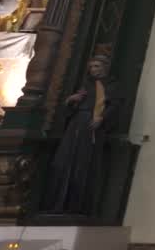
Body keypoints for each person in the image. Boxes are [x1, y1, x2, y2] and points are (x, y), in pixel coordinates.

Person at [45, 54, 121, 215]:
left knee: (84, 163)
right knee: (65, 160)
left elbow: (114, 106)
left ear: (105, 67)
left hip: (92, 126)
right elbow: (74, 106)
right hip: (77, 124)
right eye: (92, 67)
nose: (93, 70)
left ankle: (78, 205)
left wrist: (101, 118)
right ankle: (58, 202)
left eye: (97, 66)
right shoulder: (86, 85)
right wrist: (71, 100)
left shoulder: (112, 85)